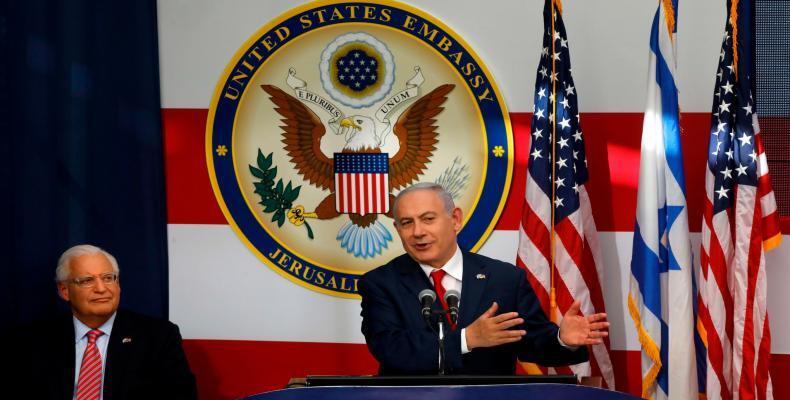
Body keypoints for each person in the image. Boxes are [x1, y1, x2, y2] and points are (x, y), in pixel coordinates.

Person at [359, 182, 609, 375]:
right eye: (406, 223)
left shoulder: (505, 279)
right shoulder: (380, 283)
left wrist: (561, 340)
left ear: (455, 219)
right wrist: (467, 339)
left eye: (428, 219)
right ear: (398, 230)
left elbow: (532, 342)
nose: (418, 232)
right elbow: (392, 350)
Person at [9, 244, 197, 399]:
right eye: (87, 280)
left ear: (118, 284)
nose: (101, 288)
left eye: (108, 278)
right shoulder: (30, 341)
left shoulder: (158, 337)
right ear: (64, 290)